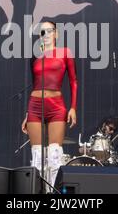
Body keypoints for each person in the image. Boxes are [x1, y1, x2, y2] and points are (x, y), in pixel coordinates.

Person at [21, 21, 78, 190]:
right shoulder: (35, 56)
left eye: (49, 30)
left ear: (56, 34)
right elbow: (35, 84)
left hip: (56, 105)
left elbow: (73, 81)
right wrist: (27, 114)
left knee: (54, 156)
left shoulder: (65, 52)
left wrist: (73, 107)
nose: (46, 34)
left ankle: (53, 196)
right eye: (42, 31)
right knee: (37, 158)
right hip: (35, 106)